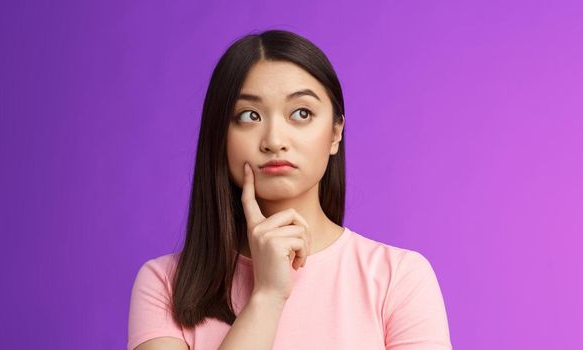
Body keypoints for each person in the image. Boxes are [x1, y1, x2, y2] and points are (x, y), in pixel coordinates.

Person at [127, 29, 451, 350]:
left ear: (336, 132)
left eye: (301, 113)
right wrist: (267, 297)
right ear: (219, 136)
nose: (274, 140)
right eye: (249, 116)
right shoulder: (165, 284)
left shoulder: (399, 278)